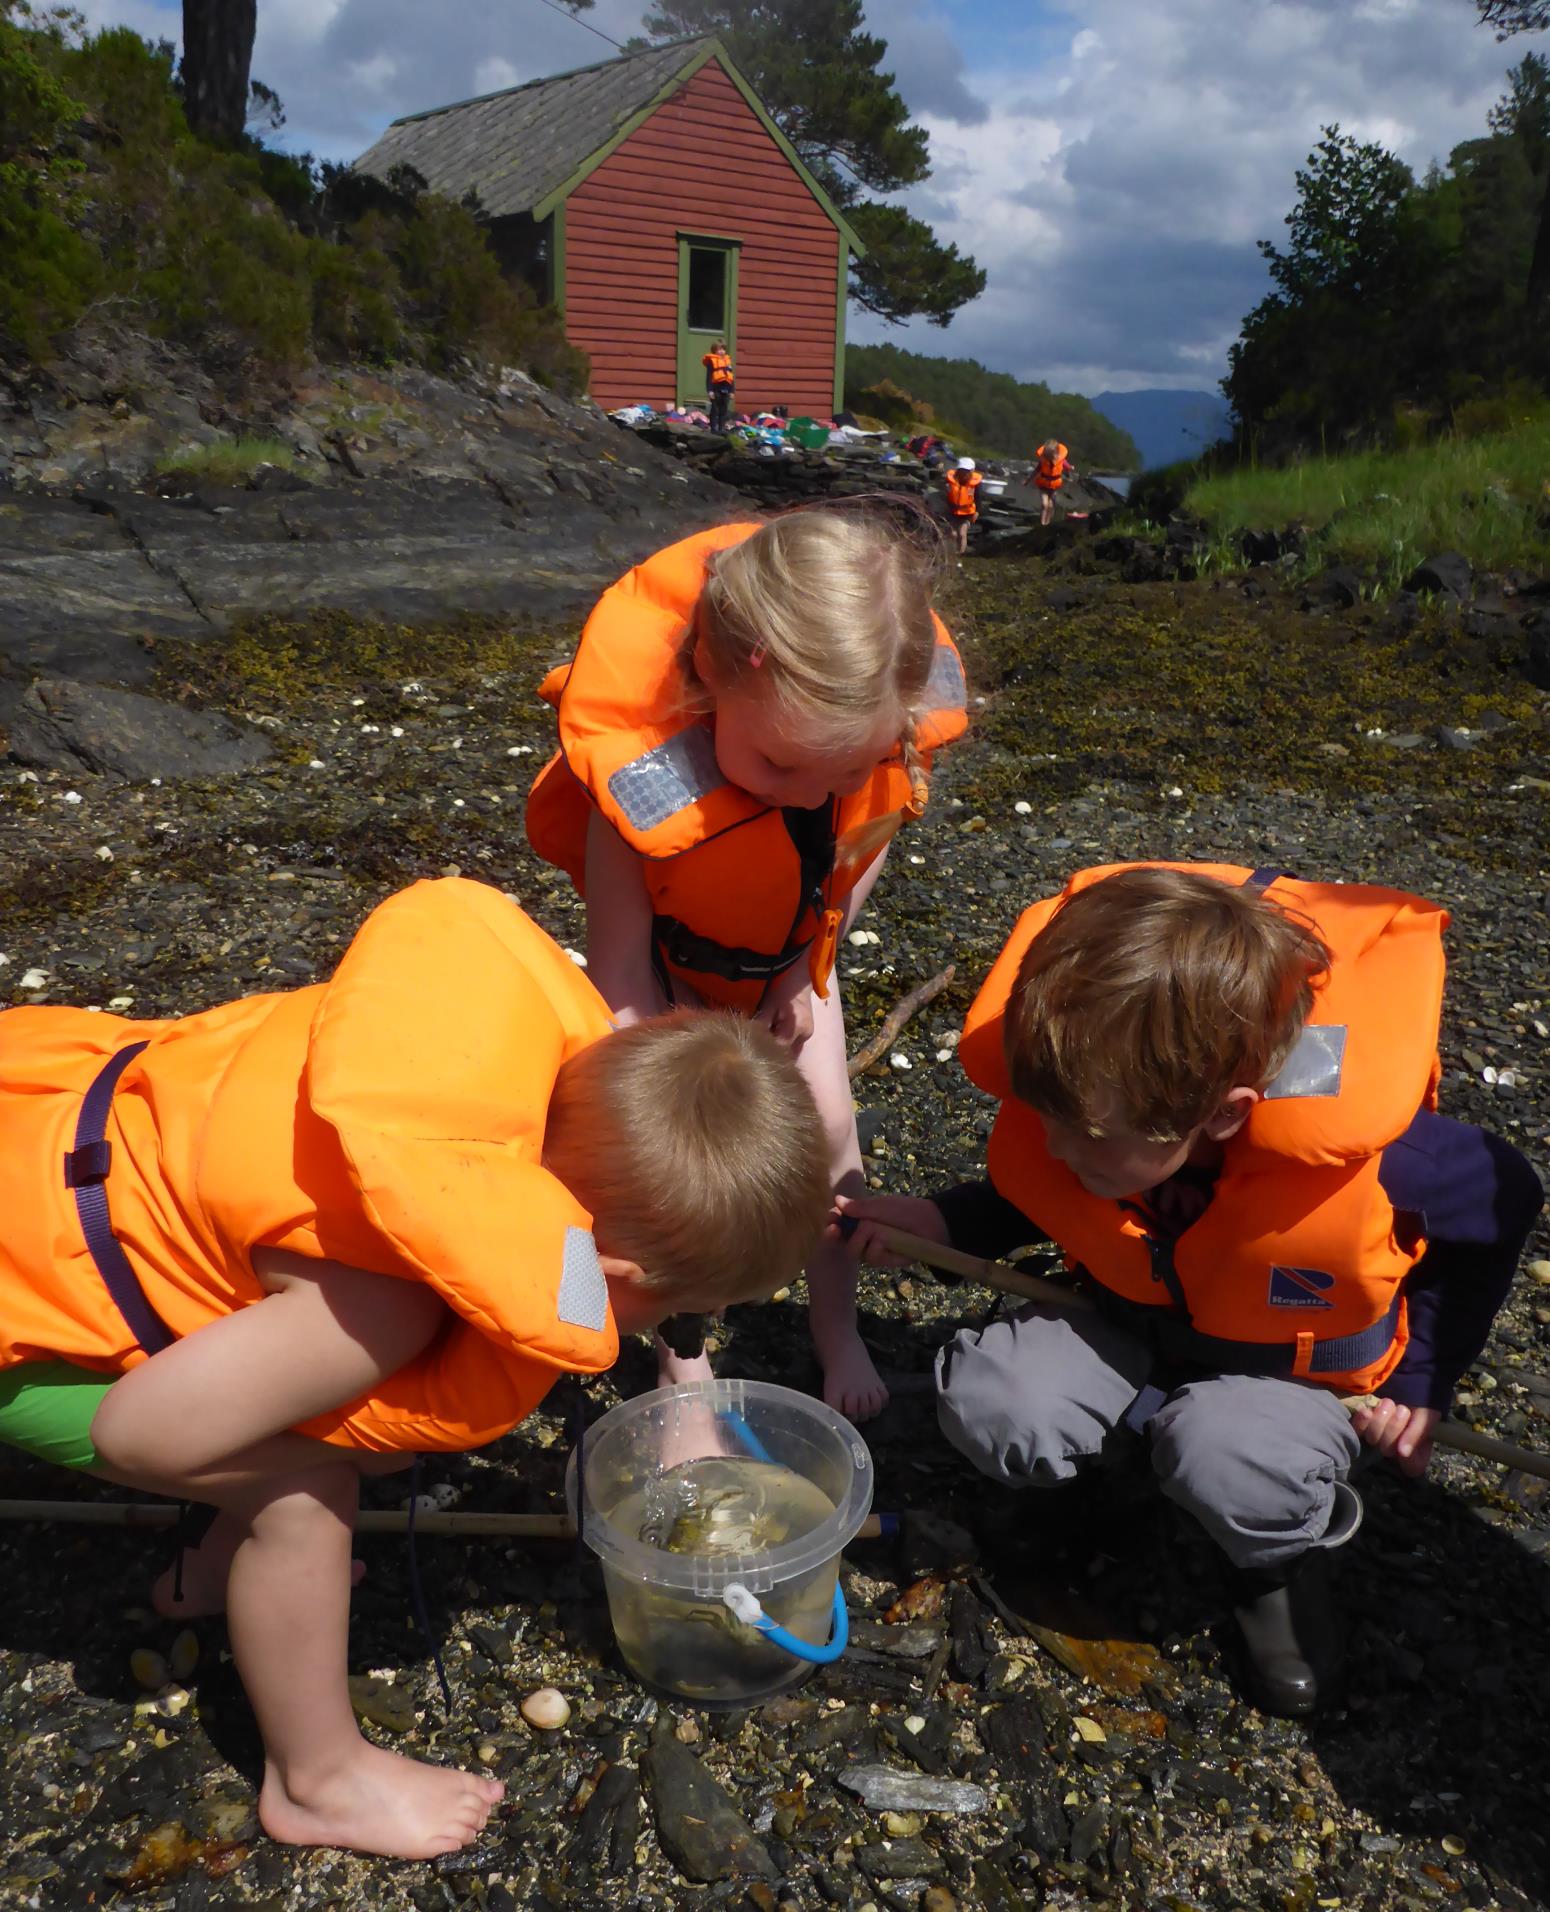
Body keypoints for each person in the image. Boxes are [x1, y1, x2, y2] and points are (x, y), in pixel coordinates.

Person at [0, 877, 829, 1859]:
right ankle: (317, 1781)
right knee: (306, 1493)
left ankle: (208, 1579)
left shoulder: (459, 1093)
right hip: (29, 1319)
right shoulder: (381, 1304)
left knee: (314, 1434)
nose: (673, 1326)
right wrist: (278, 1492)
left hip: (47, 1128)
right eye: (676, 1308)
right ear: (616, 1273)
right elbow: (137, 1433)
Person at [841, 863, 1543, 1715]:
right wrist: (936, 1222)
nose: (1055, 1147)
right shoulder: (1096, 1112)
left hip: (1283, 1375)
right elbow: (1045, 1191)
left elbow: (1507, 1206)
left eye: (1086, 1136)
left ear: (1221, 1113)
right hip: (1122, 1323)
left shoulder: (1400, 1159)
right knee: (1001, 1397)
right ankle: (1101, 1478)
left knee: (1233, 1459)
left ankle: (1273, 1563)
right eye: (1045, 1121)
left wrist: (1422, 1382)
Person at [525, 509, 969, 1421]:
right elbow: (619, 970)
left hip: (785, 966)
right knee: (685, 1164)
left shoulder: (869, 754)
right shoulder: (641, 778)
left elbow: (842, 882)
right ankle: (683, 1348)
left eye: (837, 776)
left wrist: (794, 979)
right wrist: (662, 1055)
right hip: (670, 967)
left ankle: (834, 1326)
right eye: (778, 766)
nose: (809, 793)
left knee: (834, 1132)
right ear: (729, 675)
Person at [1024, 438, 1075, 527]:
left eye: (1051, 456)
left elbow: (1067, 467)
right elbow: (1036, 471)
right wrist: (1027, 481)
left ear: (1056, 453)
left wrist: (1070, 468)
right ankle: (1042, 523)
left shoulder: (1061, 460)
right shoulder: (1043, 461)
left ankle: (1048, 523)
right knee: (1045, 504)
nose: (1049, 458)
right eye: (1047, 456)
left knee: (1051, 506)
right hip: (1043, 484)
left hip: (1054, 485)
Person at [944, 456, 983, 558]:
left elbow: (978, 498)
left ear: (971, 471)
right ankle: (950, 550)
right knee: (953, 534)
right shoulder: (951, 482)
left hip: (967, 514)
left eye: (966, 471)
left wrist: (977, 512)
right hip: (953, 512)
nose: (963, 473)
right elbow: (944, 495)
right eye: (961, 471)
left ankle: (961, 553)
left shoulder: (974, 485)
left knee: (962, 533)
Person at [702, 337, 735, 433]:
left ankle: (721, 428)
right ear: (714, 350)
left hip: (726, 389)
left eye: (723, 349)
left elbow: (731, 377)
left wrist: (732, 391)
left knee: (723, 410)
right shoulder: (711, 362)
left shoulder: (727, 361)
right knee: (715, 409)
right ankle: (713, 429)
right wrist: (710, 390)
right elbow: (709, 377)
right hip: (716, 388)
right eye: (719, 349)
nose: (721, 351)